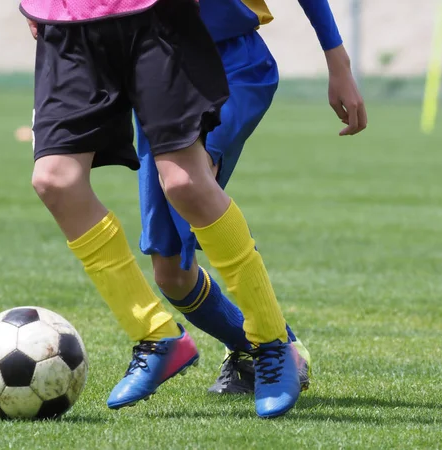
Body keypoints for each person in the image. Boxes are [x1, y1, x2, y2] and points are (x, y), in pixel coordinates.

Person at [20, 0, 320, 418]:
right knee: (54, 179)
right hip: (68, 16)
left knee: (184, 181)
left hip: (155, 14)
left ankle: (272, 343)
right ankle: (157, 336)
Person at [135, 0, 367, 394]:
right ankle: (255, 348)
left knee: (189, 181)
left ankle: (276, 347)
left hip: (233, 63)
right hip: (155, 72)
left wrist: (337, 60)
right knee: (171, 274)